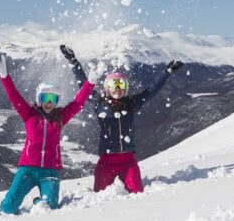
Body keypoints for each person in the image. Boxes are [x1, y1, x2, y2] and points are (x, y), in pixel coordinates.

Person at [60, 45, 184, 193]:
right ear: (107, 88)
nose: (117, 88)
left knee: (137, 193)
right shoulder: (99, 103)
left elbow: (151, 90)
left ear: (125, 88)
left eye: (121, 84)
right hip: (106, 161)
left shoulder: (131, 104)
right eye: (113, 84)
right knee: (99, 197)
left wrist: (167, 72)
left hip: (128, 162)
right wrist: (74, 62)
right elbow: (84, 85)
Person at [0, 52, 102, 214]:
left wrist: (90, 83)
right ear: (39, 99)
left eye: (53, 99)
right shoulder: (29, 115)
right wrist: (4, 76)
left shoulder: (60, 118)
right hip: (27, 170)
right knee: (7, 208)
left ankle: (38, 201)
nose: (49, 103)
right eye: (45, 98)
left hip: (50, 172)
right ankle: (19, 203)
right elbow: (14, 96)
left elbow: (77, 103)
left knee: (49, 207)